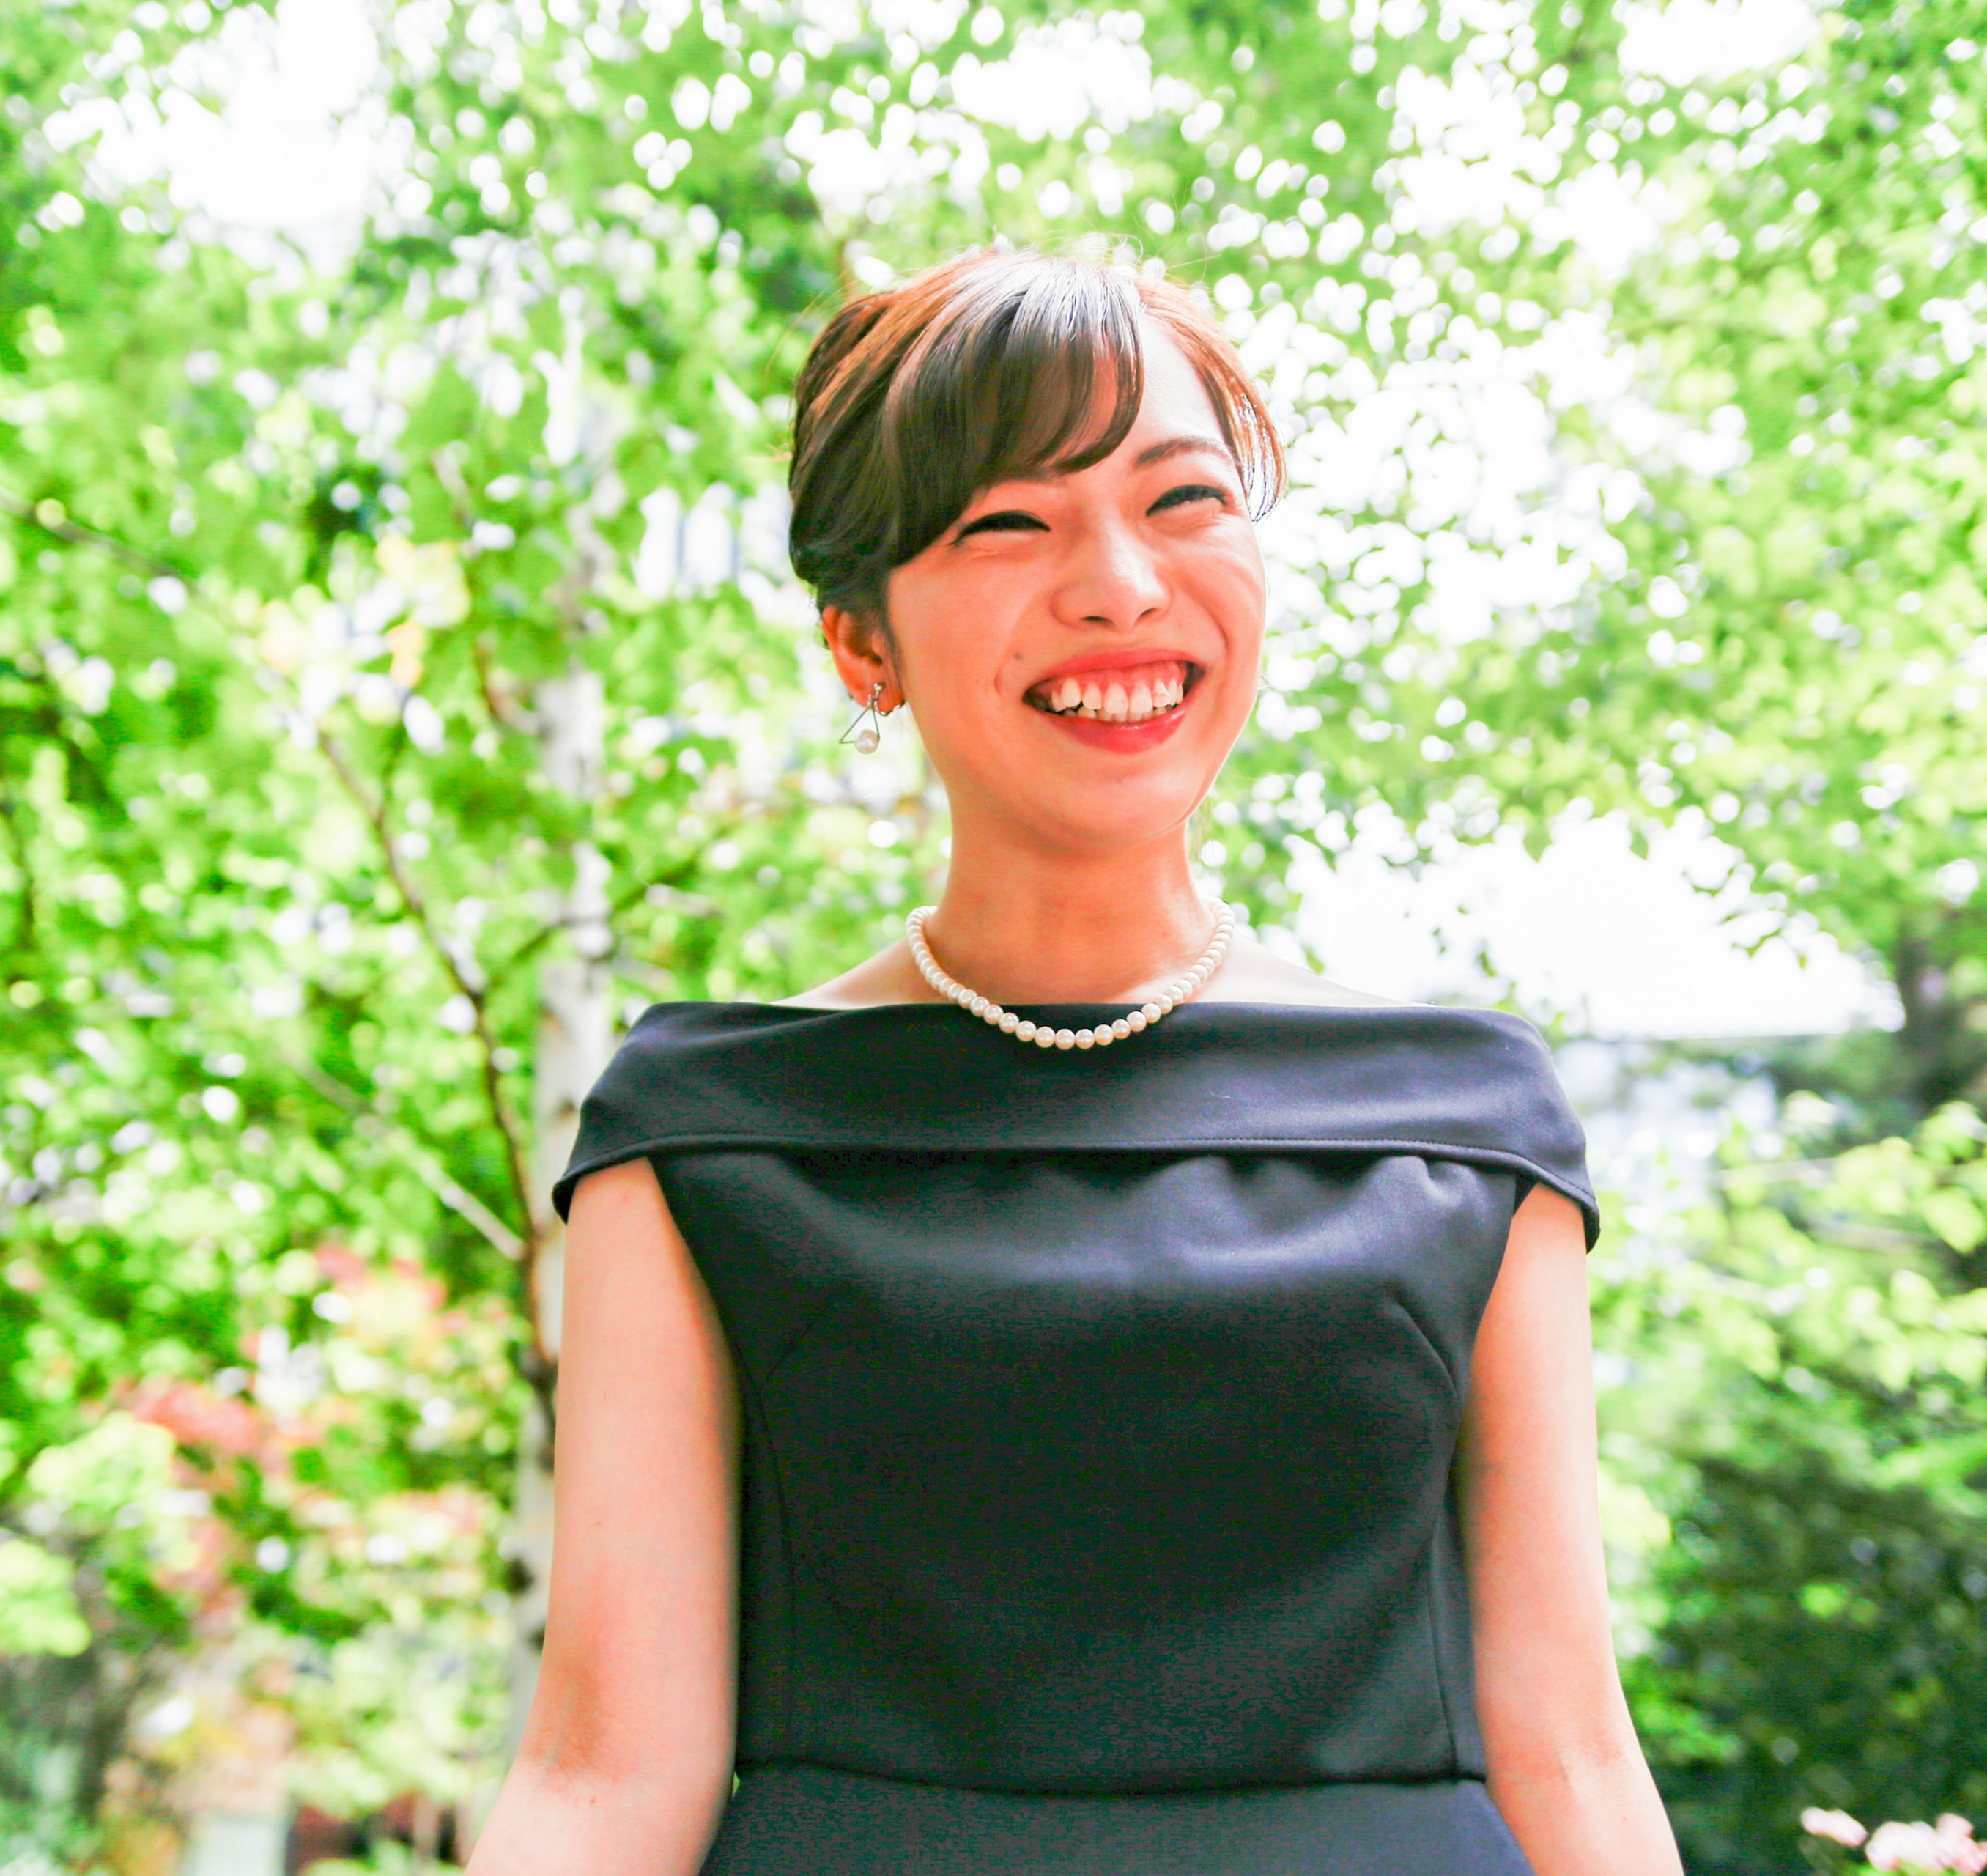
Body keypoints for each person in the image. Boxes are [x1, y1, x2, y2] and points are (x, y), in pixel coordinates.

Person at [462, 248, 1683, 1876]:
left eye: (1182, 502)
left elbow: (1575, 1751)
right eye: (1008, 524)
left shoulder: (1466, 1120)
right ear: (860, 644)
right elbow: (608, 1774)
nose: (1120, 583)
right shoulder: (700, 1135)